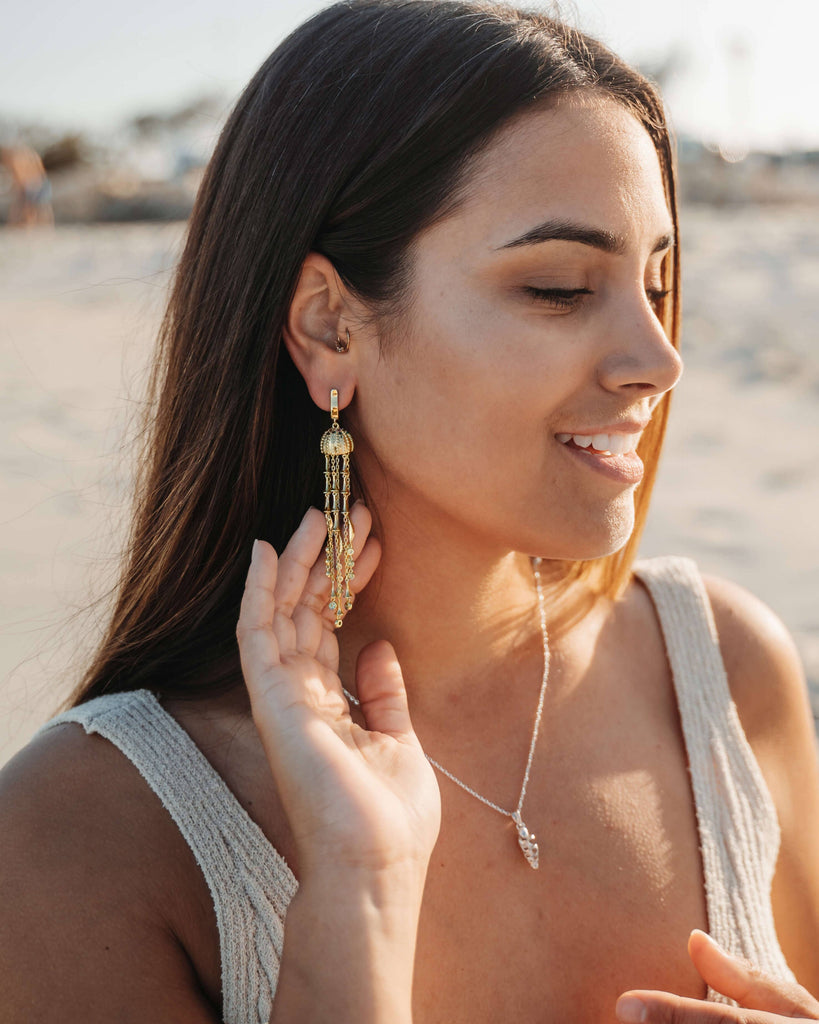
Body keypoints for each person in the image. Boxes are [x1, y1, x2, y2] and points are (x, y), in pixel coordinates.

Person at [1, 1, 818, 1021]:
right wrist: (357, 893)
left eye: (656, 282)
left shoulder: (729, 675)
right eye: (561, 287)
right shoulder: (84, 831)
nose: (660, 359)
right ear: (329, 324)